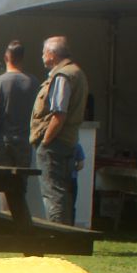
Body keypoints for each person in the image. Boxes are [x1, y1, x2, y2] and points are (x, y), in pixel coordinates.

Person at [28, 35, 88, 224]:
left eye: (44, 52)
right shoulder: (77, 72)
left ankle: (57, 237)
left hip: (55, 144)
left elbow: (59, 115)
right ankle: (66, 236)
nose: (42, 56)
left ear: (52, 54)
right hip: (66, 142)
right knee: (64, 191)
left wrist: (45, 142)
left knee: (53, 193)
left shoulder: (63, 76)